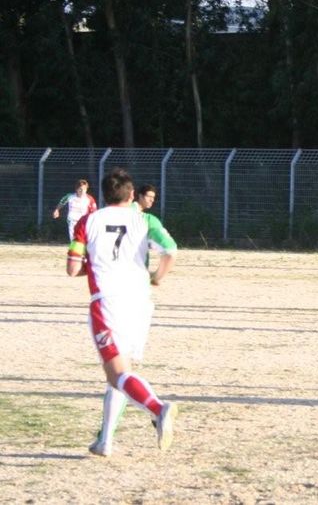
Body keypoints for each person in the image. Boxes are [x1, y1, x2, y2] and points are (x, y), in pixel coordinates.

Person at [66, 168, 179, 457]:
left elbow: (73, 268)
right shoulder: (145, 220)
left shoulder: (88, 220)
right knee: (120, 373)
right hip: (140, 302)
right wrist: (157, 277)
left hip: (107, 302)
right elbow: (170, 250)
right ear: (131, 195)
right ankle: (105, 441)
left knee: (117, 373)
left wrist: (94, 264)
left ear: (104, 195)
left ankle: (158, 409)